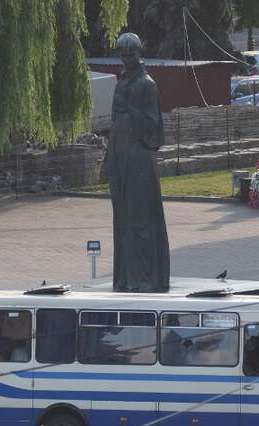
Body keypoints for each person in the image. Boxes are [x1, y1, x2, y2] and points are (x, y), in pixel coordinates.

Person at [107, 32, 170, 293]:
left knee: (140, 219)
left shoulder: (147, 84)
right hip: (119, 157)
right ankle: (125, 276)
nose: (125, 60)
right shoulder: (121, 83)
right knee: (122, 220)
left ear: (138, 54)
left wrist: (130, 108)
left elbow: (153, 126)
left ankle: (144, 277)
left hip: (139, 160)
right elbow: (114, 119)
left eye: (129, 55)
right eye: (121, 55)